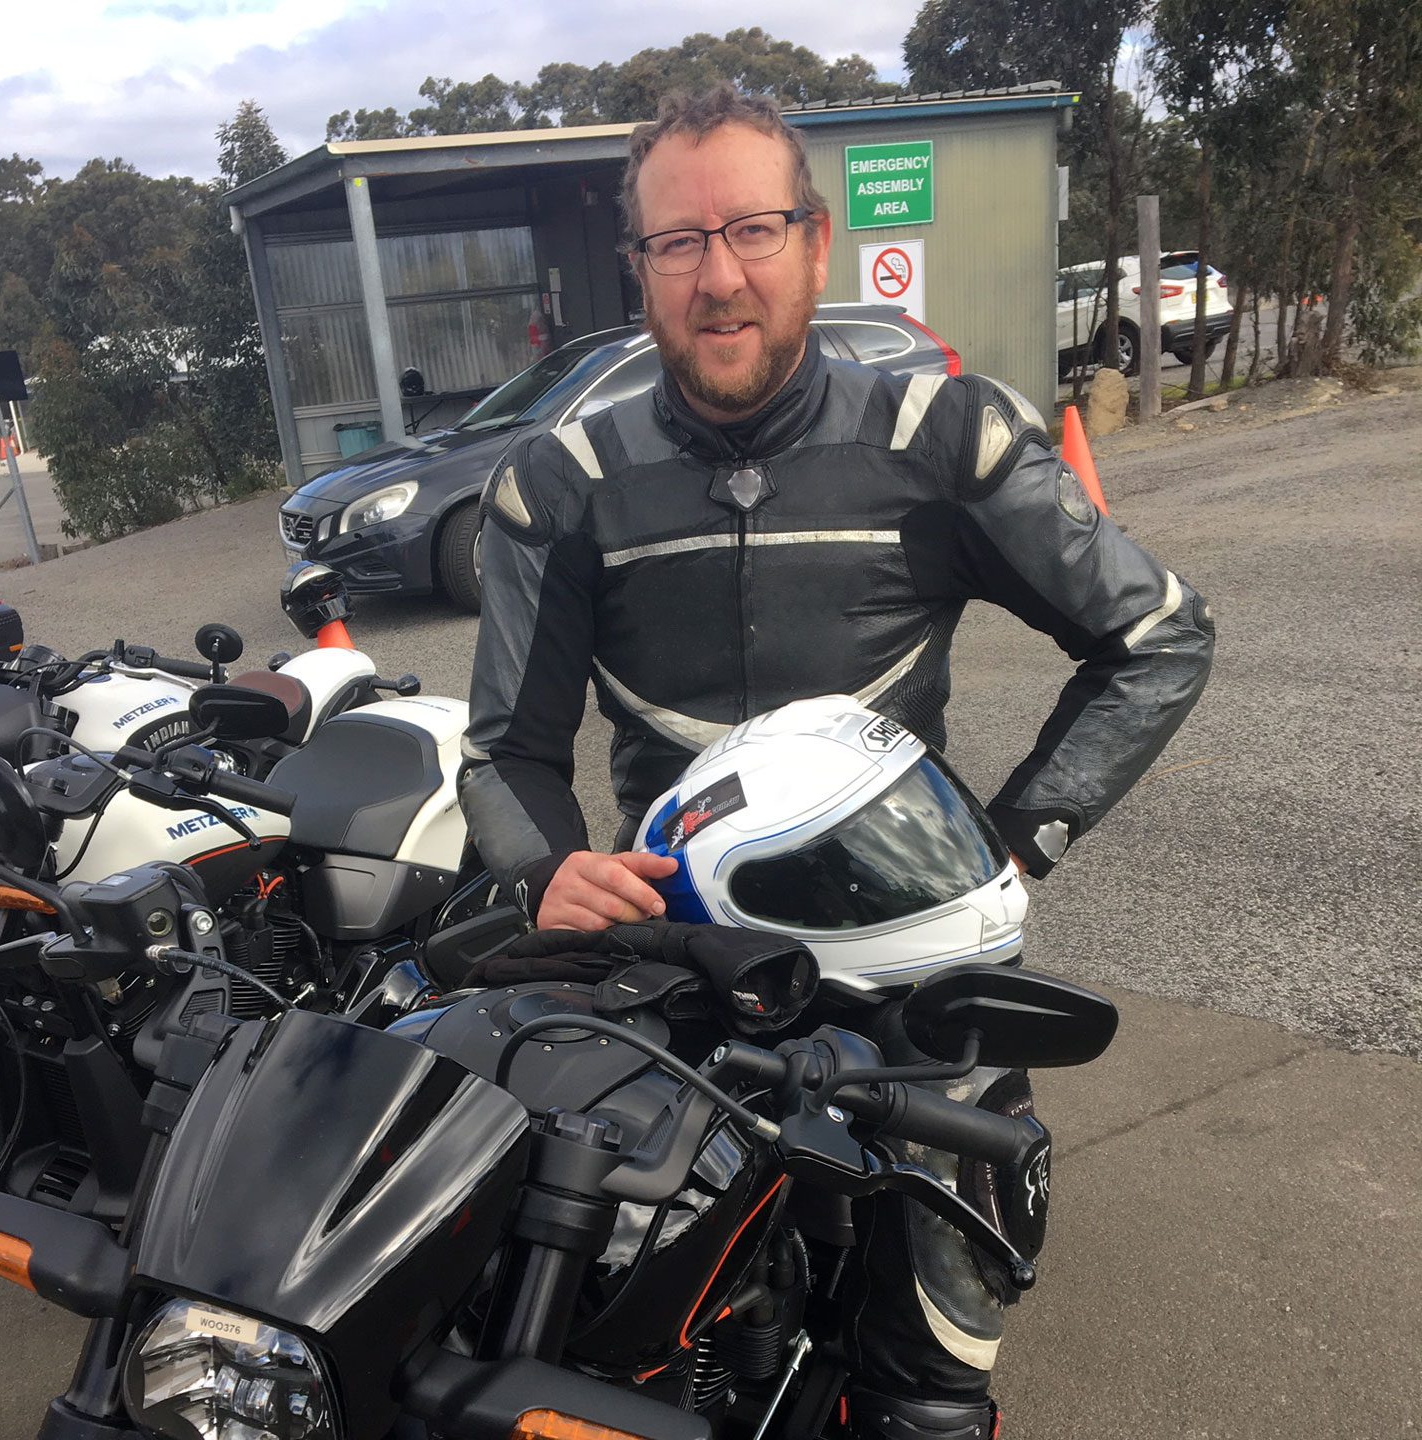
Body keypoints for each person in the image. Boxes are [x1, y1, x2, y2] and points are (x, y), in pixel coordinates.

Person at [462, 84, 1214, 1440]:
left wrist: (1013, 842)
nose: (719, 276)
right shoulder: (558, 482)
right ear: (639, 269)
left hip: (906, 971)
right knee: (577, 1345)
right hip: (676, 957)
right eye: (678, 242)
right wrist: (546, 871)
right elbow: (506, 748)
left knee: (928, 1386)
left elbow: (1157, 638)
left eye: (752, 229)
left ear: (815, 242)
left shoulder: (945, 437)